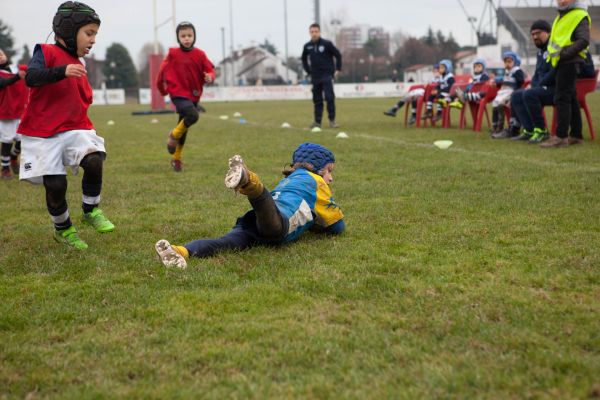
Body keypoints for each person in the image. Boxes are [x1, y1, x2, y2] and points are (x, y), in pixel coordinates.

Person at [17, 1, 114, 250]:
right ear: (70, 31)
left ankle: (91, 210)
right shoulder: (45, 51)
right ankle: (63, 229)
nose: (93, 40)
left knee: (94, 160)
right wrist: (62, 71)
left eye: (95, 34)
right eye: (89, 33)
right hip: (41, 132)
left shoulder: (79, 63)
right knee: (56, 185)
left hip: (73, 128)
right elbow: (32, 78)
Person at [155, 143, 346, 269]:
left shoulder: (288, 180)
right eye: (329, 170)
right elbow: (336, 226)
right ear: (317, 168)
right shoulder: (316, 182)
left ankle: (179, 251)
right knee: (273, 223)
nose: (331, 177)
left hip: (255, 221)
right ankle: (250, 182)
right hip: (277, 222)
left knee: (224, 243)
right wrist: (315, 225)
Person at [157, 21, 215, 172]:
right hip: (177, 93)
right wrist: (162, 90)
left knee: (184, 126)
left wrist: (210, 76)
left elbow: (210, 70)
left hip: (193, 95)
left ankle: (176, 159)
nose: (187, 38)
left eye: (189, 35)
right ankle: (173, 135)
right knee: (193, 116)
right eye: (183, 36)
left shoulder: (200, 54)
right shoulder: (173, 54)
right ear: (178, 38)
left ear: (194, 36)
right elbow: (161, 72)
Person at [541, 0, 592, 148]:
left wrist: (565, 54)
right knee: (570, 98)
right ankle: (576, 135)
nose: (561, 0)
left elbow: (584, 40)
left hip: (568, 62)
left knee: (561, 97)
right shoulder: (563, 15)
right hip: (562, 62)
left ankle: (561, 137)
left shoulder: (578, 15)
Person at [510, 20, 556, 143]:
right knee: (516, 95)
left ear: (548, 33)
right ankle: (529, 130)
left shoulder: (554, 48)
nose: (535, 36)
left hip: (555, 89)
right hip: (542, 88)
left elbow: (555, 72)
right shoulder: (540, 52)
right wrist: (534, 85)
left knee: (530, 94)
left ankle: (541, 130)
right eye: (533, 34)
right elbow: (537, 73)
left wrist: (539, 85)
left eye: (538, 33)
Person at [301, 23, 342, 129]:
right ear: (309, 33)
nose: (314, 34)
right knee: (317, 100)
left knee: (329, 98)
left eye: (316, 31)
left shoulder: (327, 44)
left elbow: (338, 55)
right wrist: (308, 71)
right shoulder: (307, 46)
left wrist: (337, 69)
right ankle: (317, 122)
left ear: (319, 32)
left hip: (327, 75)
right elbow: (303, 59)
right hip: (315, 77)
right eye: (312, 32)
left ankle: (332, 121)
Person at [0, 49, 27, 179]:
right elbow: (3, 83)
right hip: (6, 112)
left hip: (22, 111)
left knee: (23, 140)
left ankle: (13, 157)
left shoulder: (17, 68)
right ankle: (5, 169)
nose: (0, 56)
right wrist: (18, 76)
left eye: (1, 53)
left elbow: (33, 70)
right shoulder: (10, 73)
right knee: (7, 141)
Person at [490, 51, 526, 138]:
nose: (507, 64)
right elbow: (504, 82)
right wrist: (497, 84)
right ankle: (496, 127)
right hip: (503, 92)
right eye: (506, 62)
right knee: (495, 106)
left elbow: (521, 81)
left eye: (509, 62)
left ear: (515, 62)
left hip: (511, 92)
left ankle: (507, 127)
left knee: (500, 105)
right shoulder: (507, 72)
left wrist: (515, 92)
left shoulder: (517, 71)